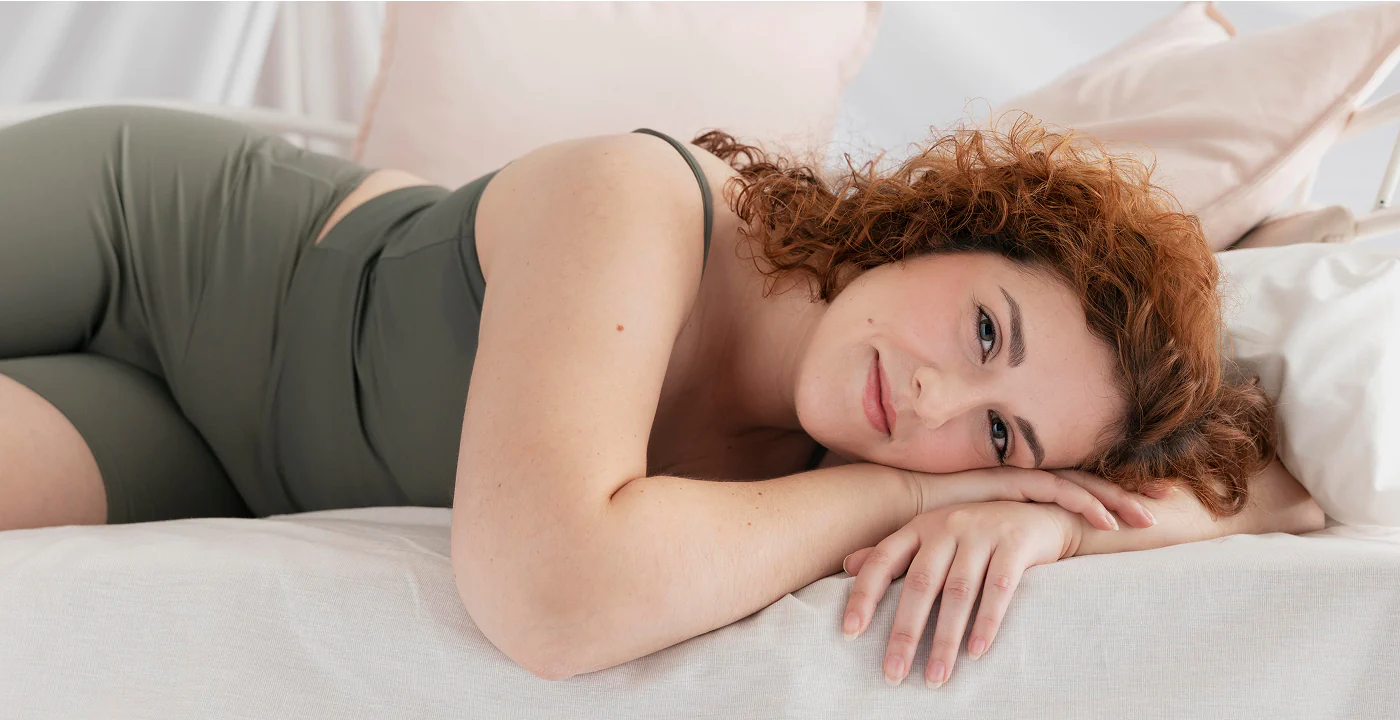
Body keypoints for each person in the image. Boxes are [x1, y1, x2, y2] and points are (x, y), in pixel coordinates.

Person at [0, 105, 1323, 684]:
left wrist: (1041, 521)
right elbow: (550, 597)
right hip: (167, 241)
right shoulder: (646, 202)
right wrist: (916, 496)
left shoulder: (856, 438)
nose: (932, 398)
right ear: (946, 230)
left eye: (1001, 431)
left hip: (215, 460)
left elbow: (1282, 500)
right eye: (984, 328)